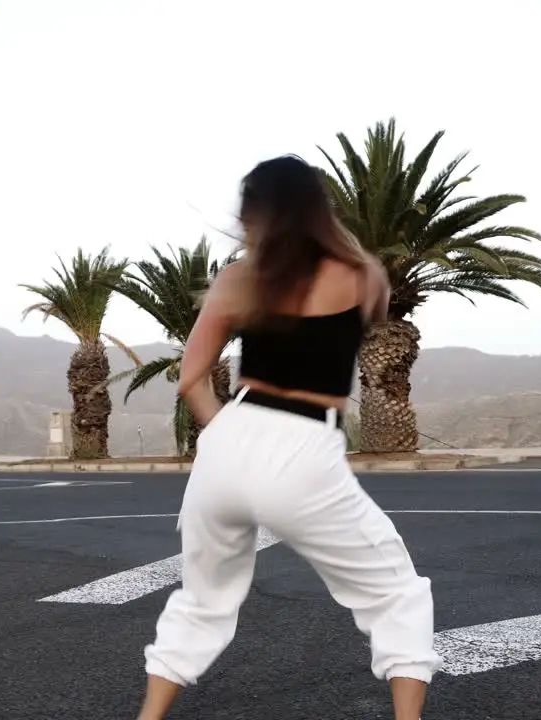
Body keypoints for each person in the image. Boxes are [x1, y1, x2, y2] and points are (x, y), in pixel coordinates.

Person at [135, 155, 440, 720]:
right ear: (319, 210)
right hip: (303, 449)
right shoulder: (363, 276)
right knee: (395, 591)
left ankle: (149, 717)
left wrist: (224, 433)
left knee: (201, 601)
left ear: (255, 214)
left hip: (228, 445)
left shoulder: (239, 279)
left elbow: (190, 379)